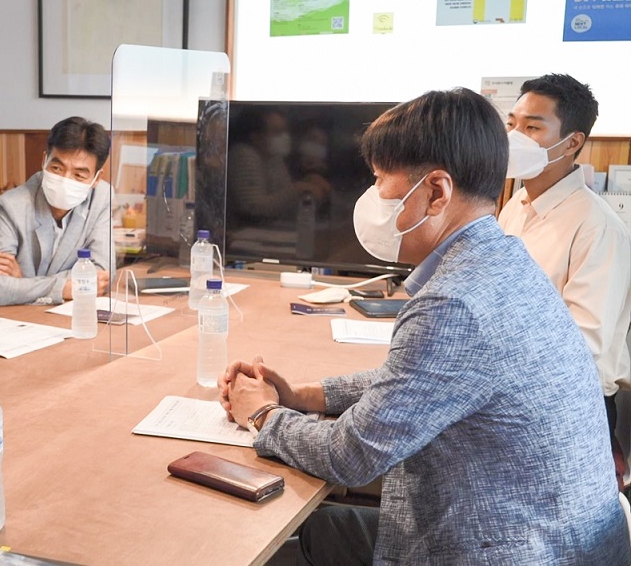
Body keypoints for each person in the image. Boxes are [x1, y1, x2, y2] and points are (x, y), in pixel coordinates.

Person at [220, 88, 629, 564]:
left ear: (436, 192)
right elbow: (425, 382)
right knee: (317, 530)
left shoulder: (454, 302)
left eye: (379, 181)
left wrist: (262, 415)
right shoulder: (503, 260)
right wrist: (307, 395)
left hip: (507, 547)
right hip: (543, 535)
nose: (374, 197)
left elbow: (351, 456)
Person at [498, 73, 631, 488]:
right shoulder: (515, 207)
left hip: (567, 409)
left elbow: (584, 348)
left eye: (532, 127)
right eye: (512, 124)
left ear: (572, 142)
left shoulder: (598, 226)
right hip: (509, 395)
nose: (515, 137)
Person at [0, 116, 114, 313]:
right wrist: (63, 287)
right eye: (57, 168)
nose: (65, 179)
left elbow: (101, 277)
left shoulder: (102, 196)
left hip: (58, 319)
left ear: (97, 178)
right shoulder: (12, 206)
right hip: (2, 320)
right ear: (44, 161)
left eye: (79, 175)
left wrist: (25, 283)